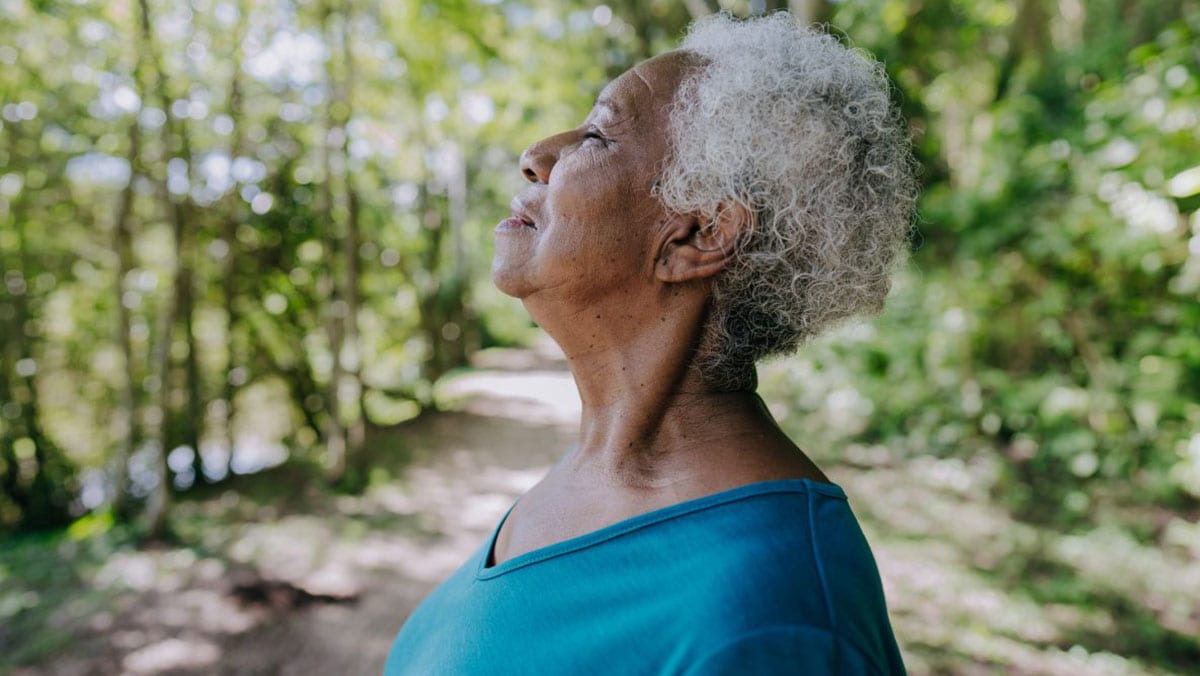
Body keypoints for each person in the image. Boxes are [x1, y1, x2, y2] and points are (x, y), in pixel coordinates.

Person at [386, 11, 916, 675]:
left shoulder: (775, 615)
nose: (538, 156)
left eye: (600, 135)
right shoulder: (594, 468)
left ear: (699, 236)